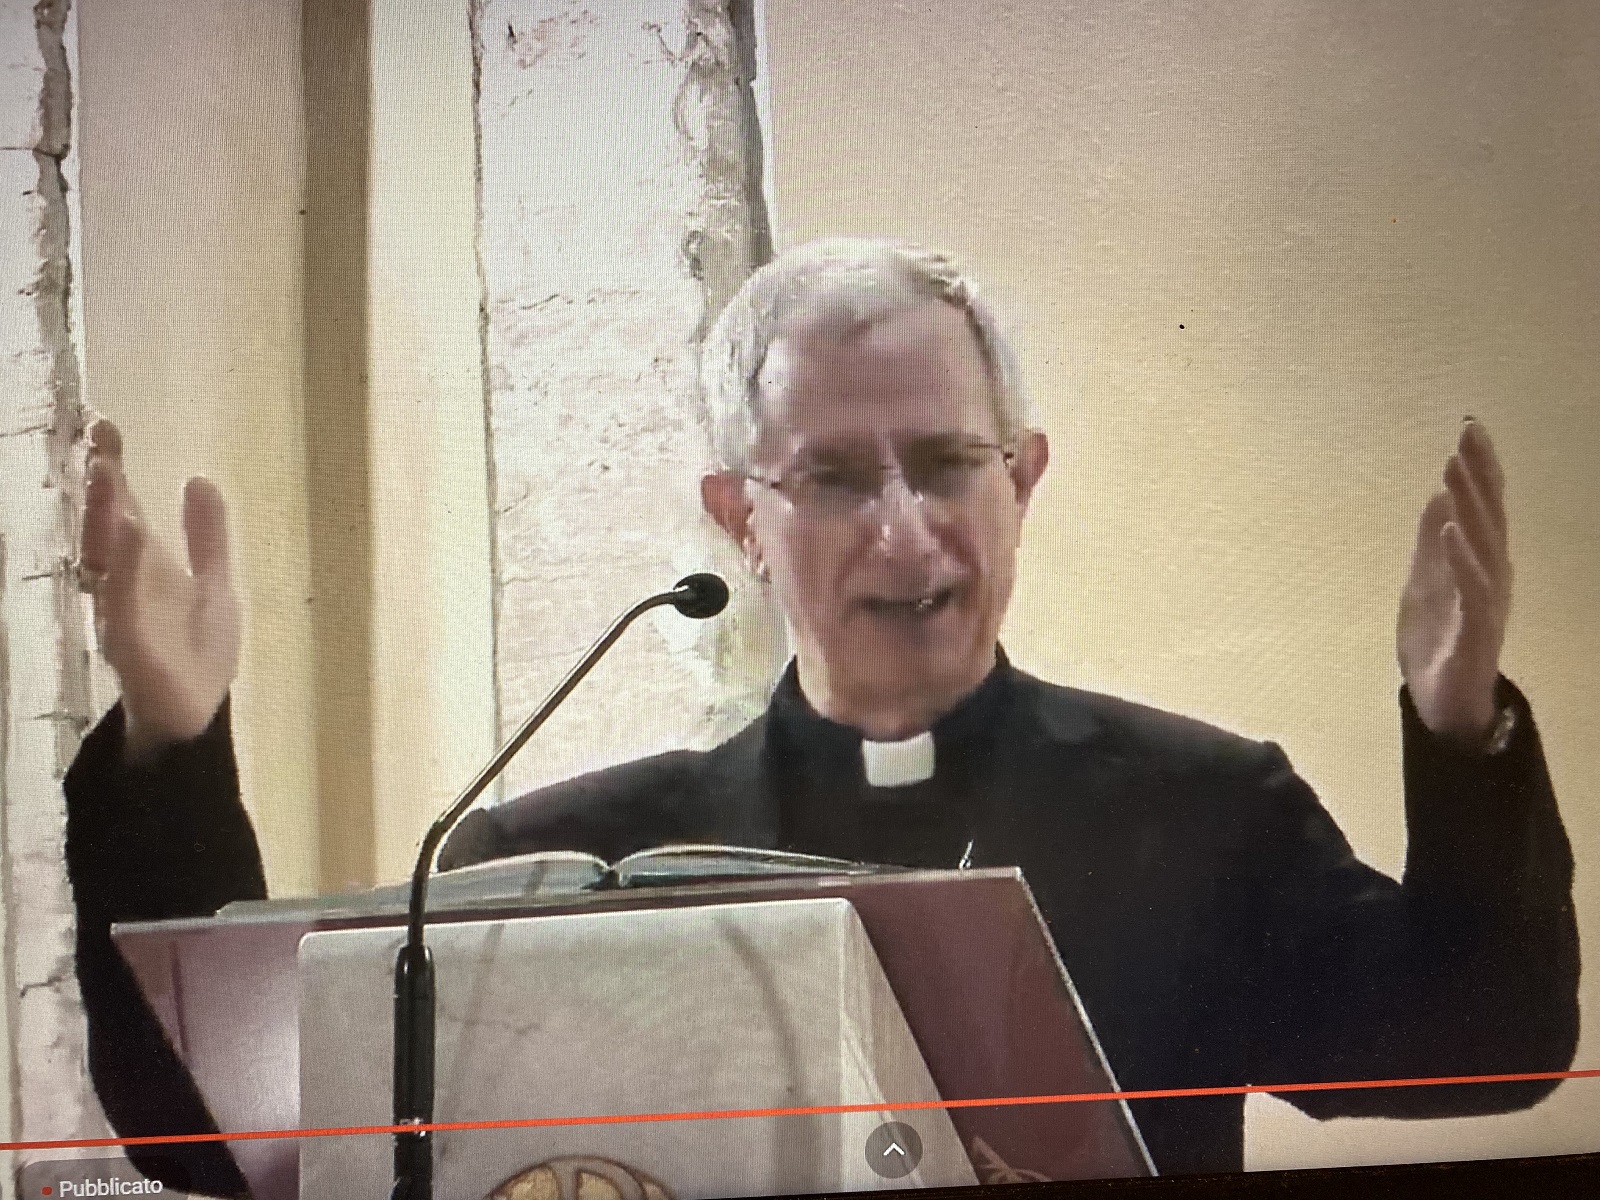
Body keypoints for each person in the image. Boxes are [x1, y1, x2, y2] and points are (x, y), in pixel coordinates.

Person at [65, 239, 1577, 1193]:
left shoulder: (1200, 810)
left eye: (948, 464)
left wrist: (1460, 736)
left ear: (1024, 479)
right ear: (741, 517)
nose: (905, 532)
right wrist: (169, 748)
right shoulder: (563, 853)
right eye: (838, 480)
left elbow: (1486, 1047)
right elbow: (215, 1139)